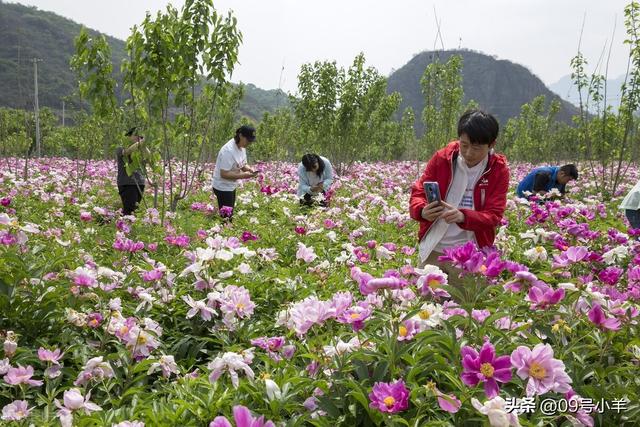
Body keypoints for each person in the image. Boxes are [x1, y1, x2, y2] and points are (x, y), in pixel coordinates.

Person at [409, 109, 510, 286]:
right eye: (464, 145)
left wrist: (464, 216)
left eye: (477, 147)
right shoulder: (443, 158)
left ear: (491, 144)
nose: (469, 152)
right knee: (428, 306)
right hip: (435, 247)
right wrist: (422, 211)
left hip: (470, 254)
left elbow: (494, 215)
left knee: (464, 308)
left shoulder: (497, 170)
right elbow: (419, 192)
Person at [212, 125, 258, 220]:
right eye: (248, 140)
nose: (249, 143)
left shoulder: (242, 147)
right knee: (227, 217)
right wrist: (243, 176)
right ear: (240, 136)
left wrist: (249, 169)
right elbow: (224, 174)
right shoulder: (228, 151)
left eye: (251, 141)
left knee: (229, 214)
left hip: (230, 185)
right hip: (222, 187)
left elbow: (243, 164)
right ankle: (224, 232)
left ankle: (225, 230)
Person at [117, 127, 147, 216]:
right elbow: (127, 152)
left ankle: (130, 227)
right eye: (136, 135)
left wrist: (144, 144)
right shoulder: (120, 147)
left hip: (140, 182)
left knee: (135, 209)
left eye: (141, 136)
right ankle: (124, 227)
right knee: (129, 210)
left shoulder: (140, 150)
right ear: (128, 136)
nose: (139, 137)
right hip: (127, 182)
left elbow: (148, 156)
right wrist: (140, 143)